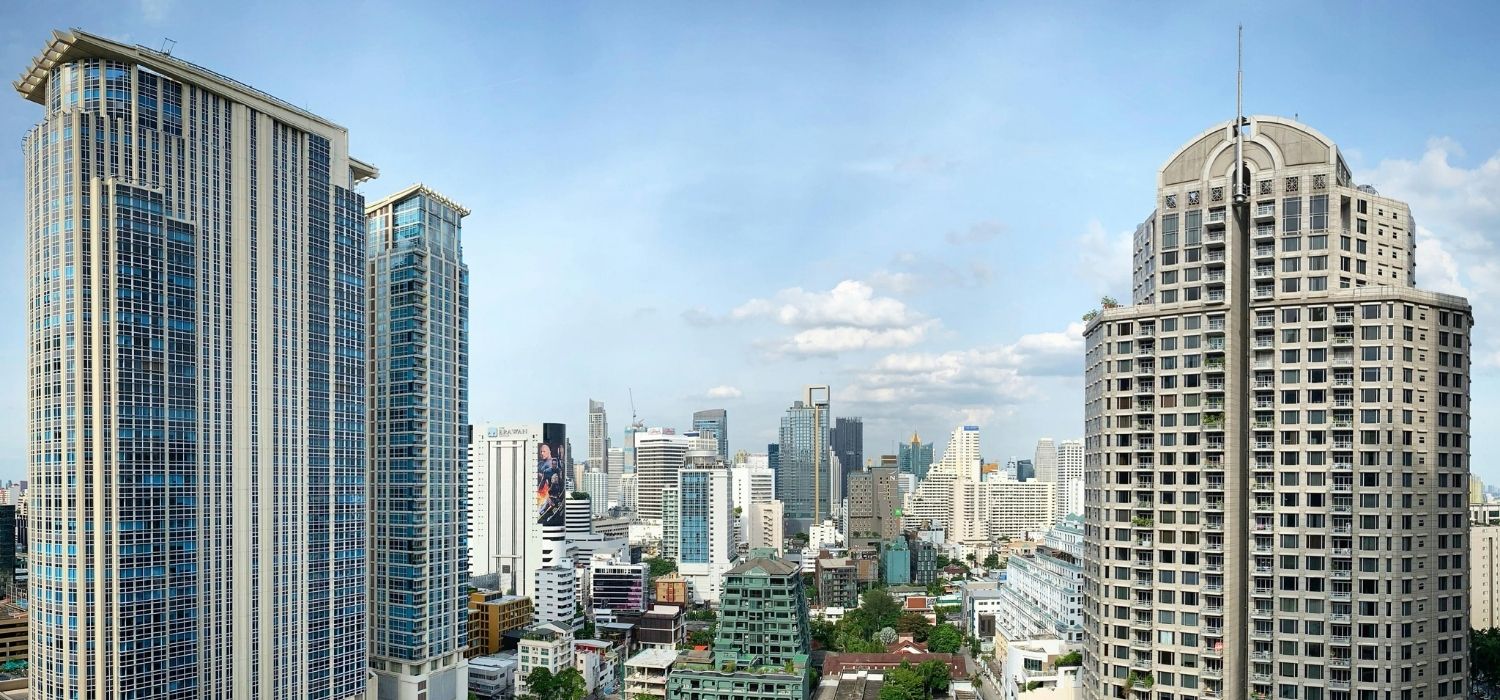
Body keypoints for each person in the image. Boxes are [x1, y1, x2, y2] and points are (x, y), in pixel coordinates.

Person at [536, 443, 566, 525]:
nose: (542, 453)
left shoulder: (557, 465)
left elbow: (561, 482)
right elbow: (541, 485)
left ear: (549, 451)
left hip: (555, 495)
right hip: (547, 495)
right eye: (541, 452)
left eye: (544, 451)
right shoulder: (541, 465)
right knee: (542, 511)